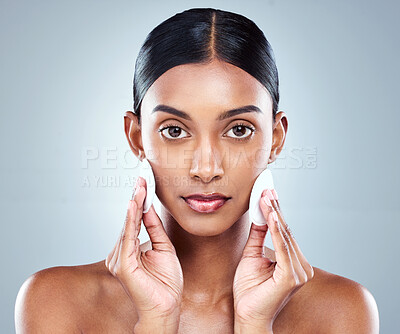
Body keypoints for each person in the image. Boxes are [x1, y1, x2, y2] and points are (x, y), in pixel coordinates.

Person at [15, 7, 379, 333]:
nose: (206, 169)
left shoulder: (341, 311)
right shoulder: (57, 302)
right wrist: (155, 321)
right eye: (175, 131)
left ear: (276, 138)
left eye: (239, 130)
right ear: (137, 137)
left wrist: (255, 325)